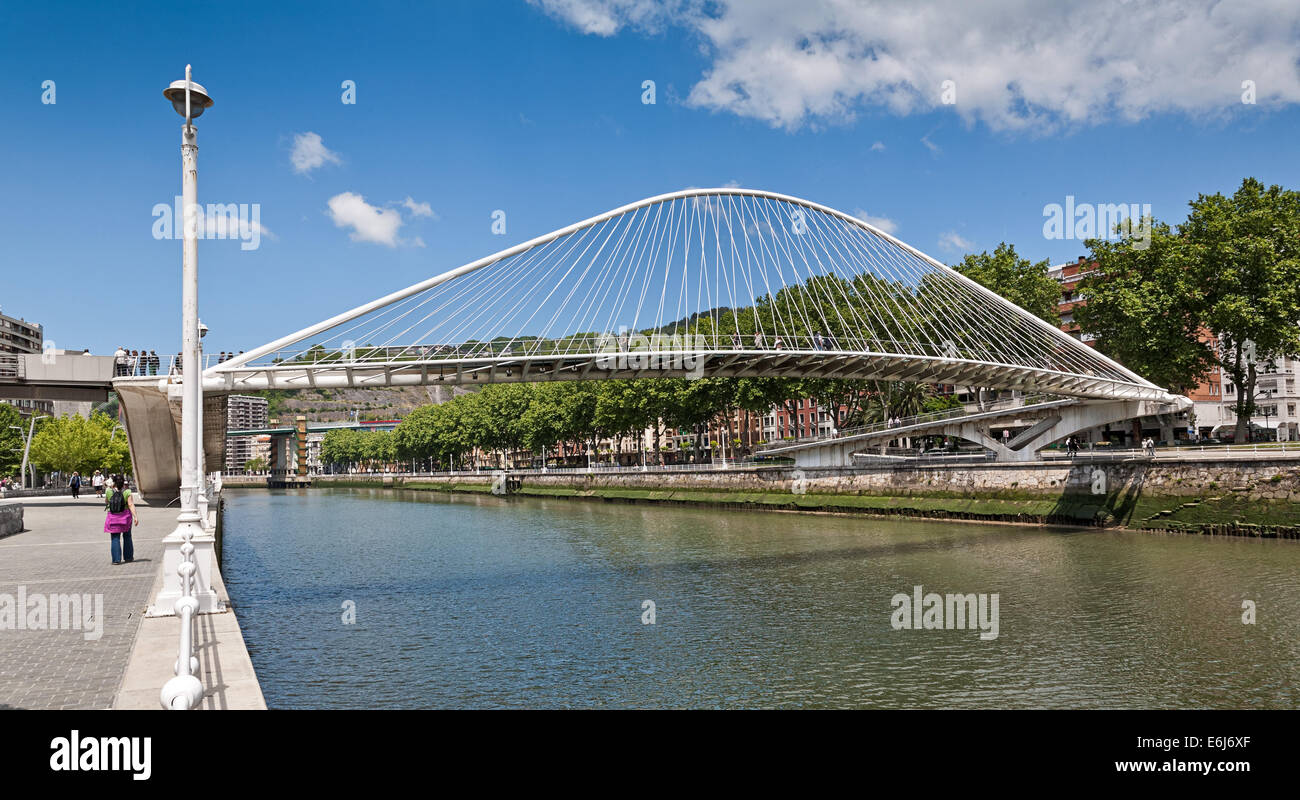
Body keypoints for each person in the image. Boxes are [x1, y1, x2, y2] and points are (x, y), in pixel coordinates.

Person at [103, 475, 138, 565]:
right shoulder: (127, 492)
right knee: (127, 536)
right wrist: (135, 516)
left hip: (113, 516)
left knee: (115, 538)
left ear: (113, 482)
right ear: (123, 483)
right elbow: (130, 504)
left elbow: (106, 502)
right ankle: (128, 557)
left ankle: (116, 559)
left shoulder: (108, 491)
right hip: (125, 516)